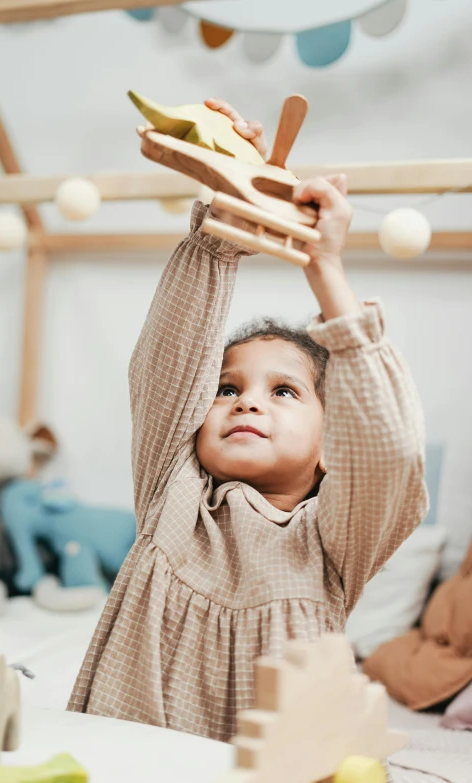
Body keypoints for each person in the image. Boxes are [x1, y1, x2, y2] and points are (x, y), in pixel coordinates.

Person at [69, 99, 428, 742]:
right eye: (225, 388)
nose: (247, 402)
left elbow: (389, 451)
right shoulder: (171, 495)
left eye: (285, 391)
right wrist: (225, 225)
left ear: (330, 446)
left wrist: (325, 266)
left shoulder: (333, 543)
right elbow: (168, 362)